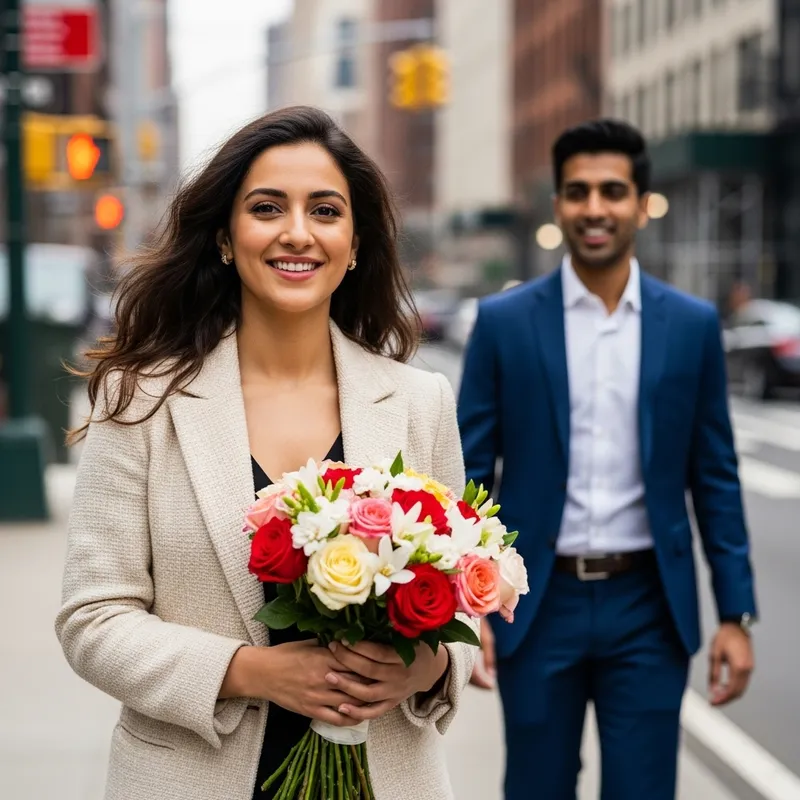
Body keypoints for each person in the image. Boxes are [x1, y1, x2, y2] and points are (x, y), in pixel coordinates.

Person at [56, 106, 474, 800]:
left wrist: (425, 669)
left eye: (326, 210)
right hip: (189, 776)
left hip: (388, 778)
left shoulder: (420, 400)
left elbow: (460, 611)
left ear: (356, 241)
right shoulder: (141, 401)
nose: (297, 233)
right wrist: (250, 670)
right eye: (268, 207)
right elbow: (93, 618)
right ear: (225, 237)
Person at [457, 119, 757, 799]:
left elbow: (715, 476)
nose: (595, 208)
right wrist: (465, 609)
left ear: (641, 203)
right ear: (558, 204)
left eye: (613, 191)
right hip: (534, 605)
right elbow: (471, 474)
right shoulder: (503, 324)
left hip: (648, 606)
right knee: (535, 788)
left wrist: (735, 616)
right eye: (578, 191)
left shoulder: (690, 325)